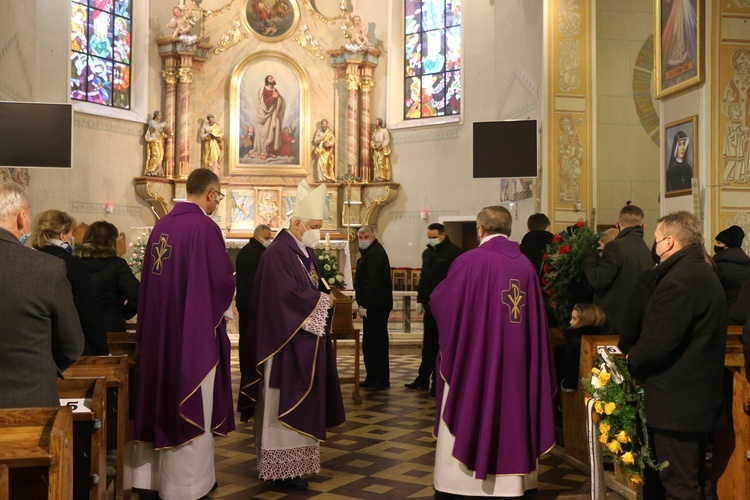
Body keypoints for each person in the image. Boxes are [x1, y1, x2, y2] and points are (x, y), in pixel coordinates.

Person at [429, 206, 556, 498]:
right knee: (513, 411)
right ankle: (512, 484)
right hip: (517, 362)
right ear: (508, 229)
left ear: (480, 229)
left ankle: (462, 485)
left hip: (477, 360)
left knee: (473, 401)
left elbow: (441, 302)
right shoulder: (524, 265)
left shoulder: (469, 261)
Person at [132, 169, 235, 499]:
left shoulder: (162, 225)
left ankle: (149, 481)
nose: (217, 203)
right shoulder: (204, 227)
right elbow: (221, 283)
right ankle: (186, 485)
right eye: (217, 197)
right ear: (210, 193)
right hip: (192, 337)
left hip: (160, 334)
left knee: (157, 398)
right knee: (191, 404)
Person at [238, 180, 345, 491]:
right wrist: (322, 301)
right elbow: (283, 296)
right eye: (313, 225)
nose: (316, 231)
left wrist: (323, 296)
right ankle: (281, 469)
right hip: (282, 344)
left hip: (302, 342)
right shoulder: (279, 253)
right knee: (278, 406)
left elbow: (309, 288)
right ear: (297, 224)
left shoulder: (303, 251)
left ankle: (294, 467)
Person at [627, 211, 727, 499]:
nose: (654, 247)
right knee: (693, 481)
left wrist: (633, 359)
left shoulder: (680, 281)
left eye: (656, 240)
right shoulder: (701, 273)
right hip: (693, 401)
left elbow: (658, 343)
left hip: (678, 405)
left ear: (669, 242)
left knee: (680, 486)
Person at [0, 182, 84, 408]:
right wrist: (40, 368)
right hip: (30, 401)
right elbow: (72, 344)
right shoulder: (47, 269)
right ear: (21, 218)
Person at [32, 209, 108, 356]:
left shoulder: (29, 260)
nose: (73, 238)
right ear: (62, 234)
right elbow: (87, 312)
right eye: (72, 234)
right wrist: (101, 349)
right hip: (67, 345)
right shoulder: (73, 265)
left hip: (37, 344)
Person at [406, 223, 462, 395]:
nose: (431, 240)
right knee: (428, 344)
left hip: (446, 307)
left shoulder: (454, 253)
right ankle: (423, 378)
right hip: (430, 306)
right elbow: (424, 278)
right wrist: (420, 299)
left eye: (434, 237)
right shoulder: (428, 252)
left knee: (442, 344)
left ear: (443, 235)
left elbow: (455, 281)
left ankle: (438, 382)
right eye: (429, 237)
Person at [582, 204, 653, 334]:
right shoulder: (647, 250)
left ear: (617, 225)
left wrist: (589, 257)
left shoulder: (616, 246)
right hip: (635, 323)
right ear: (643, 226)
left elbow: (598, 280)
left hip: (612, 322)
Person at [235, 223, 273, 421]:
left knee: (246, 345)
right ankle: (253, 384)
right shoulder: (260, 254)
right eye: (268, 237)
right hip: (256, 307)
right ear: (260, 237)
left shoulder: (244, 252)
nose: (269, 241)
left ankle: (247, 378)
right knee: (253, 348)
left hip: (245, 305)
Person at [74, 220, 140, 333]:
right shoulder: (117, 264)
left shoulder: (74, 263)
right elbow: (138, 295)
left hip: (79, 324)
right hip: (111, 325)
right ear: (110, 241)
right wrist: (122, 313)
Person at [354, 225, 393, 389]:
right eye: (360, 238)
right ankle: (377, 377)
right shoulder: (371, 252)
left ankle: (376, 379)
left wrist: (364, 304)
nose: (362, 241)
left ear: (373, 237)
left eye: (365, 237)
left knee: (374, 343)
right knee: (375, 342)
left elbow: (372, 282)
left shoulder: (375, 254)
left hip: (375, 306)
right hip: (376, 305)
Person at [560, 303, 609, 391]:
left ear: (585, 321)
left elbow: (567, 368)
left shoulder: (575, 339)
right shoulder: (608, 338)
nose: (570, 322)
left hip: (578, 387)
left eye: (574, 319)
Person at [713, 225, 750, 313]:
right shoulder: (747, 263)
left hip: (723, 312)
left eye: (719, 243)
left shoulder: (719, 264)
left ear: (727, 246)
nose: (716, 245)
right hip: (743, 313)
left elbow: (713, 293)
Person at [250, 75, 286, 161]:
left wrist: (278, 98)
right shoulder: (262, 90)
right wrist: (272, 97)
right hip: (264, 115)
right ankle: (263, 151)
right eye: (271, 78)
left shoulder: (275, 90)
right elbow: (262, 103)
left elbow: (280, 101)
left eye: (273, 78)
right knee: (264, 133)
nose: (273, 79)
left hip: (273, 114)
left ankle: (269, 151)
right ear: (267, 81)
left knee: (272, 132)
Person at [145, 110, 169, 176]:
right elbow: (156, 127)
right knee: (156, 155)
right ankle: (150, 170)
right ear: (156, 115)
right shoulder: (152, 122)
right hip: (154, 140)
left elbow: (160, 132)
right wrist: (164, 124)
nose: (160, 116)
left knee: (161, 156)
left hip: (159, 141)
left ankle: (156, 171)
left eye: (161, 115)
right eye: (159, 115)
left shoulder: (158, 124)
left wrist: (167, 136)